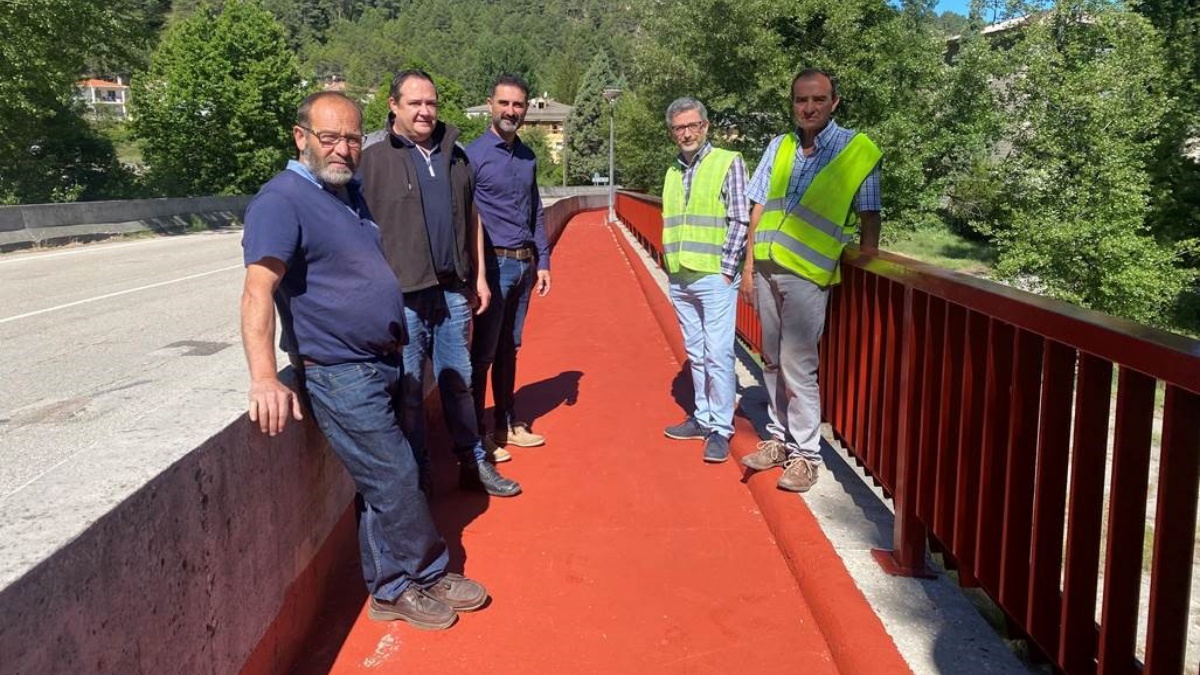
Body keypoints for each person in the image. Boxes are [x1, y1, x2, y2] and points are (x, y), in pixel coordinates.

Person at [240, 91, 486, 629]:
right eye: (330, 138)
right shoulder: (281, 200)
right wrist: (263, 378)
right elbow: (258, 290)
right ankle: (424, 572)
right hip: (339, 369)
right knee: (395, 473)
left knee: (385, 480)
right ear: (300, 137)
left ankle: (391, 587)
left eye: (352, 138)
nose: (344, 149)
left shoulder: (346, 195)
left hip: (381, 360)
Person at [360, 70, 521, 498]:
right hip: (403, 297)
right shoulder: (372, 156)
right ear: (393, 106)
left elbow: (474, 217)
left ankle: (473, 463)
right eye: (414, 103)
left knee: (459, 383)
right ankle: (419, 476)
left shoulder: (456, 153)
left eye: (430, 102)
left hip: (452, 291)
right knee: (410, 392)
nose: (424, 111)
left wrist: (480, 277)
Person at [738, 68, 882, 492]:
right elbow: (759, 206)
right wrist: (748, 266)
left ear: (834, 102)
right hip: (766, 266)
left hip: (807, 274)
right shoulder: (779, 146)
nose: (809, 107)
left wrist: (869, 267)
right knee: (770, 359)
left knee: (798, 366)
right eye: (801, 100)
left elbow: (870, 215)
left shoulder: (858, 150)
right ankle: (779, 440)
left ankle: (806, 456)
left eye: (818, 99)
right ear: (792, 103)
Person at [658, 97, 750, 463]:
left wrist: (728, 269)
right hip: (680, 275)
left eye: (692, 125)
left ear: (706, 126)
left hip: (713, 275)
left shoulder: (728, 162)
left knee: (718, 353)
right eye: (679, 128)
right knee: (696, 353)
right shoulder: (672, 170)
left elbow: (740, 218)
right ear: (672, 132)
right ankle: (702, 415)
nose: (686, 133)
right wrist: (670, 267)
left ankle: (721, 428)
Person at [466, 74, 552, 455]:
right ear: (490, 104)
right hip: (493, 266)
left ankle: (506, 424)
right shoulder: (472, 157)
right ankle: (477, 434)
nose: (511, 111)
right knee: (482, 353)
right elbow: (465, 218)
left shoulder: (528, 157)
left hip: (523, 266)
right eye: (504, 103)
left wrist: (543, 261)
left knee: (509, 349)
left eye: (518, 105)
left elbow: (536, 212)